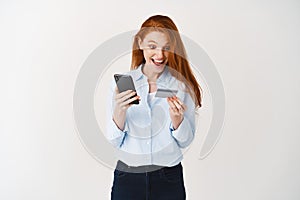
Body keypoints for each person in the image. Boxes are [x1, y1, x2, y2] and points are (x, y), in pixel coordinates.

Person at [105, 15, 202, 200]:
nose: (160, 55)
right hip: (128, 177)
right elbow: (113, 140)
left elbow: (185, 142)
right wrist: (120, 110)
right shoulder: (124, 82)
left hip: (168, 178)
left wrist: (177, 121)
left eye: (166, 48)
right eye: (152, 46)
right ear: (140, 43)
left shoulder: (181, 86)